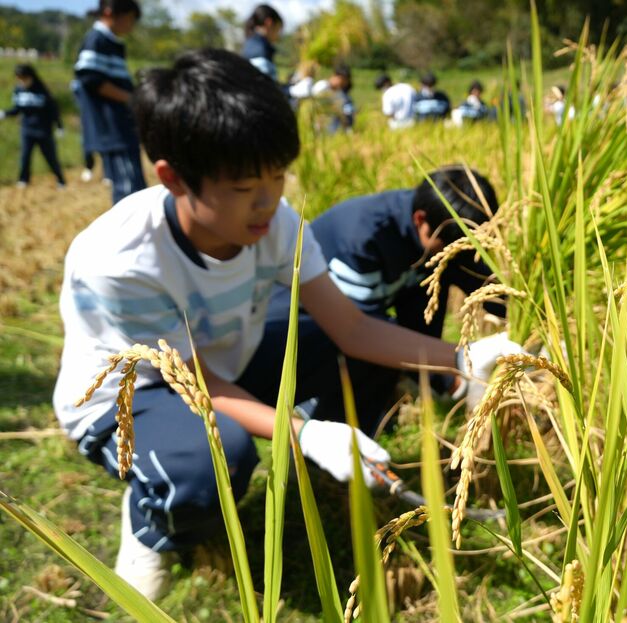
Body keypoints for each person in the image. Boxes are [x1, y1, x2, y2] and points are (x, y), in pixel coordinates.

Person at [52, 48, 523, 600]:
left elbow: (353, 328)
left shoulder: (275, 223)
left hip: (226, 361)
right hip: (133, 395)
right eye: (244, 186)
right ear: (174, 178)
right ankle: (153, 525)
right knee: (219, 455)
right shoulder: (123, 260)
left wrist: (459, 358)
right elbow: (192, 380)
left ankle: (343, 467)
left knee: (352, 349)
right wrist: (306, 431)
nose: (268, 201)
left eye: (278, 177)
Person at [310, 166, 505, 403]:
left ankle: (426, 379)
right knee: (374, 362)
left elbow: (486, 288)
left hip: (379, 302)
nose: (456, 253)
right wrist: (456, 368)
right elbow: (361, 334)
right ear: (420, 220)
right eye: (452, 246)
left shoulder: (443, 228)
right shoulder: (362, 243)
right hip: (319, 323)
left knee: (440, 272)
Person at [73, 0, 146, 204]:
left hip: (123, 125)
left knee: (136, 185)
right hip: (112, 127)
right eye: (130, 19)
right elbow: (90, 79)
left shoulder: (112, 42)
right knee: (128, 190)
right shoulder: (97, 40)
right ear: (109, 12)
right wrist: (130, 99)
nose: (131, 25)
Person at [0, 64, 66, 188]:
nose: (21, 81)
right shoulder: (18, 90)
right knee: (25, 156)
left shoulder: (42, 91)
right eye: (19, 79)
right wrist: (4, 113)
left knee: (50, 157)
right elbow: (17, 109)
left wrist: (59, 126)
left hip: (43, 130)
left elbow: (53, 110)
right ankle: (24, 179)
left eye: (23, 78)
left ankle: (60, 180)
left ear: (31, 77)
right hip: (27, 129)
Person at [291, 64, 355, 133]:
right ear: (335, 76)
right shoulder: (322, 86)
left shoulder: (341, 95)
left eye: (344, 81)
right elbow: (311, 104)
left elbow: (344, 115)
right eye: (341, 79)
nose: (341, 83)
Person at [242, 4, 282, 81]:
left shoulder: (250, 44)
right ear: (269, 23)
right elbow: (265, 89)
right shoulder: (260, 52)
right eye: (278, 30)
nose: (279, 36)